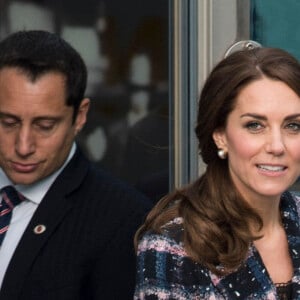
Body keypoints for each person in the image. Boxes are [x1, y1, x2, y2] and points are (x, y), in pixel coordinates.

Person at [134, 47, 300, 299]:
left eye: (293, 126)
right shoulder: (174, 245)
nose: (277, 146)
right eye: (255, 125)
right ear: (220, 135)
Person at [0, 30, 152, 300]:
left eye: (45, 126)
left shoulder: (122, 219)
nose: (23, 146)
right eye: (8, 123)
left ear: (80, 117)